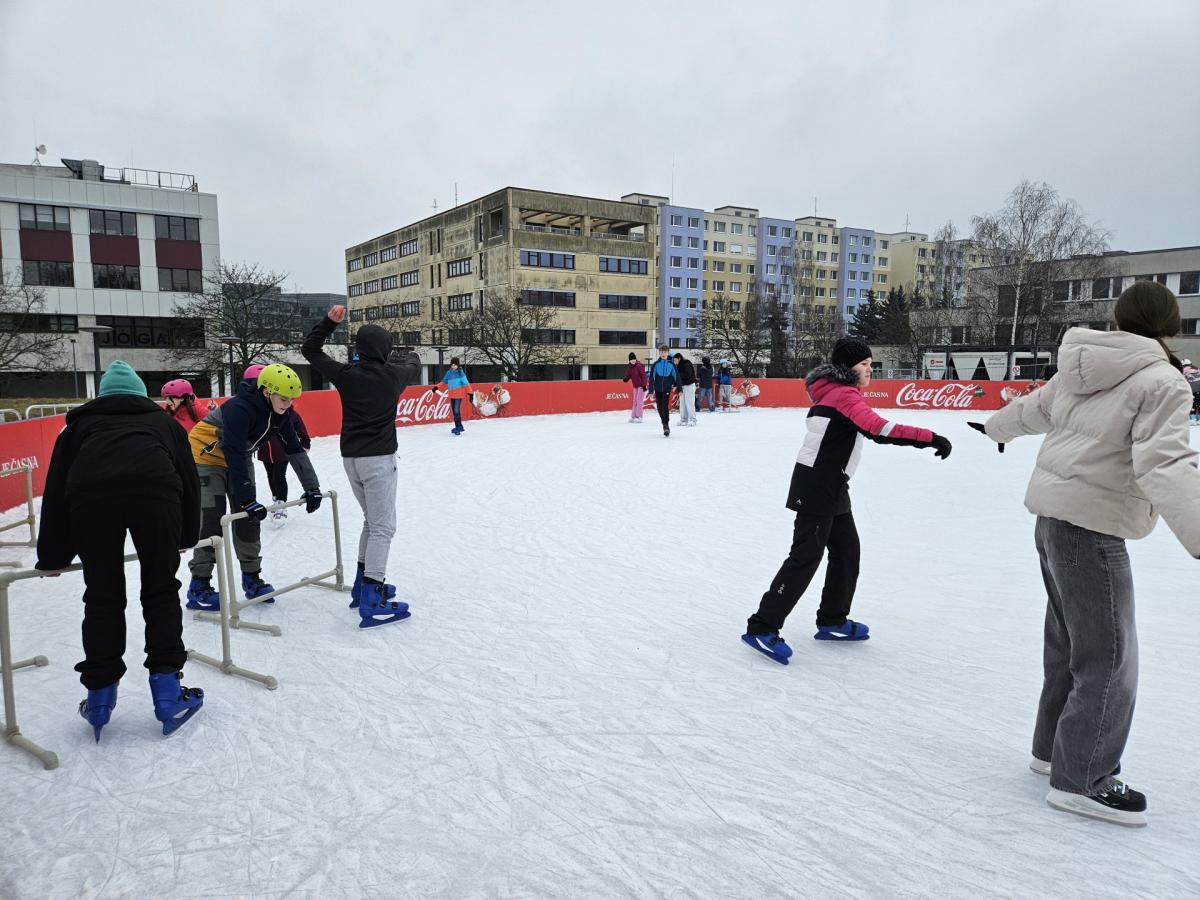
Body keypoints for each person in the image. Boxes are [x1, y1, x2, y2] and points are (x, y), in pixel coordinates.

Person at [970, 282, 1200, 828]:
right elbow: (1164, 463)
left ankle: (1053, 752)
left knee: (1070, 645)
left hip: (1052, 520)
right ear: (1171, 324)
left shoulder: (1085, 361)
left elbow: (1035, 409)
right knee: (1109, 657)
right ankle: (1083, 779)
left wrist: (996, 427)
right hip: (1092, 529)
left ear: (1119, 318)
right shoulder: (1162, 380)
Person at [742, 338, 951, 664]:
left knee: (847, 551)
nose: (870, 369)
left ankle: (832, 619)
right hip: (818, 486)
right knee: (805, 557)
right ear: (847, 367)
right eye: (864, 364)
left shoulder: (836, 392)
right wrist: (930, 438)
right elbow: (878, 428)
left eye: (871, 364)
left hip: (832, 485)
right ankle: (762, 626)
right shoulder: (843, 394)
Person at [35, 361, 205, 739]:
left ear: (103, 396)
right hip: (156, 495)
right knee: (161, 590)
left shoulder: (77, 429)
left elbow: (56, 490)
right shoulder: (163, 424)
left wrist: (53, 555)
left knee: (102, 595)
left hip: (93, 501)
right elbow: (189, 480)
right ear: (140, 395)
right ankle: (168, 693)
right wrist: (185, 536)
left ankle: (99, 698)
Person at [302, 305, 420, 628]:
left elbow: (310, 350)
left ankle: (362, 583)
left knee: (372, 521)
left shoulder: (346, 374)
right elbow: (414, 363)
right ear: (384, 351)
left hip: (351, 459)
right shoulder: (394, 375)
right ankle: (372, 596)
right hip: (379, 461)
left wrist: (328, 323)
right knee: (384, 527)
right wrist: (406, 354)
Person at [185, 364, 323, 611]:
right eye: (284, 398)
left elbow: (293, 447)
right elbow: (233, 451)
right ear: (267, 392)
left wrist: (312, 486)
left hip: (239, 455)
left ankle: (252, 578)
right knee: (212, 520)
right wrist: (247, 498)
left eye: (292, 399)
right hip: (206, 458)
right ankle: (199, 585)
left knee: (249, 519)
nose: (288, 404)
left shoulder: (281, 413)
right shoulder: (239, 408)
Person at [257, 406, 312, 523]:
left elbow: (300, 426)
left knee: (279, 476)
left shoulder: (288, 412)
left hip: (282, 450)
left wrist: (305, 442)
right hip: (265, 451)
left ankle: (282, 504)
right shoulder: (261, 411)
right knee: (270, 475)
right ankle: (276, 500)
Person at [428, 357, 473, 435]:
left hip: (459, 395)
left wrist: (470, 393)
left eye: (455, 365)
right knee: (455, 412)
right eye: (452, 365)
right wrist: (436, 387)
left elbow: (466, 384)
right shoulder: (449, 373)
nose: (453, 366)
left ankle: (458, 427)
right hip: (452, 395)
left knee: (456, 411)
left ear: (458, 365)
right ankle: (459, 426)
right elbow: (443, 382)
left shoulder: (460, 373)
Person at [649, 344, 680, 437]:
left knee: (664, 406)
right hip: (658, 389)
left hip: (667, 389)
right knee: (659, 407)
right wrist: (651, 391)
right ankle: (664, 422)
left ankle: (666, 426)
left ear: (667, 353)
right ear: (659, 353)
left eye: (665, 352)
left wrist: (679, 388)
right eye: (662, 352)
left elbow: (677, 376)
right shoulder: (655, 364)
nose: (663, 354)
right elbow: (651, 378)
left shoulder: (671, 364)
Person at [673, 353, 698, 427]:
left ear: (679, 358)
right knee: (682, 404)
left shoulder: (687, 363)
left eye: (675, 360)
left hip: (689, 385)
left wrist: (678, 375)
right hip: (682, 386)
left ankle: (693, 420)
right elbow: (677, 378)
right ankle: (683, 419)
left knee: (689, 403)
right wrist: (675, 385)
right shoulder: (678, 366)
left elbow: (688, 374)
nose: (674, 362)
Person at [622, 352, 647, 422]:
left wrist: (644, 385)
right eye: (631, 360)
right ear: (629, 360)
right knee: (635, 401)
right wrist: (626, 379)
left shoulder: (639, 366)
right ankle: (633, 416)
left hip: (641, 386)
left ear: (635, 359)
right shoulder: (630, 367)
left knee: (639, 401)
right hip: (635, 386)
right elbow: (628, 375)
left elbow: (644, 376)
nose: (633, 361)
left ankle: (639, 416)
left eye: (634, 359)